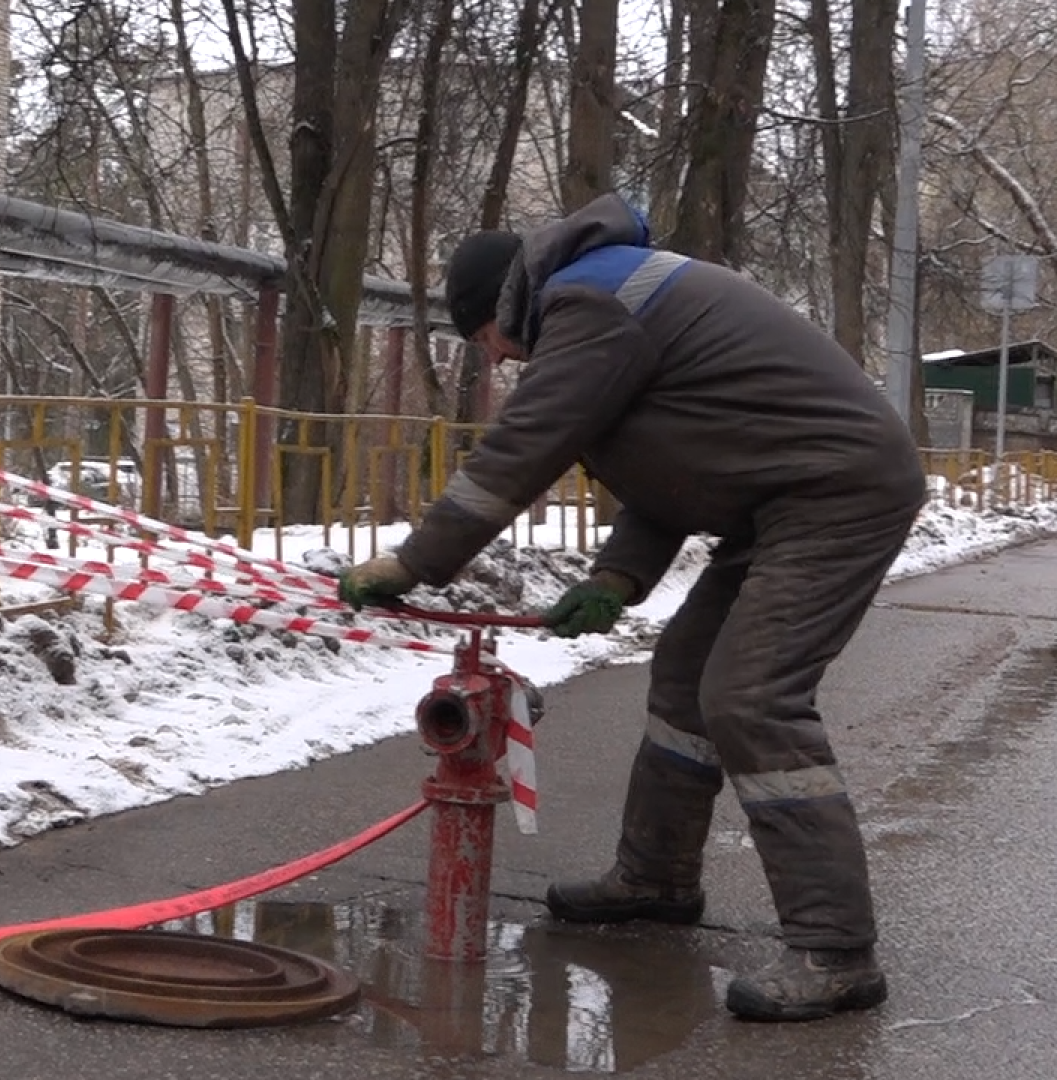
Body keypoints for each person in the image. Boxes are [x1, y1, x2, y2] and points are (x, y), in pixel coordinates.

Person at [337, 192, 926, 1023]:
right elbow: (674, 463)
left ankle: (836, 950)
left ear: (499, 309)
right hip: (783, 495)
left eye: (484, 343)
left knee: (752, 698)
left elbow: (521, 450)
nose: (499, 361)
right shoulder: (608, 299)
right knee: (686, 678)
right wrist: (618, 577)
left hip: (837, 494)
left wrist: (415, 561)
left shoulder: (589, 303)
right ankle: (655, 880)